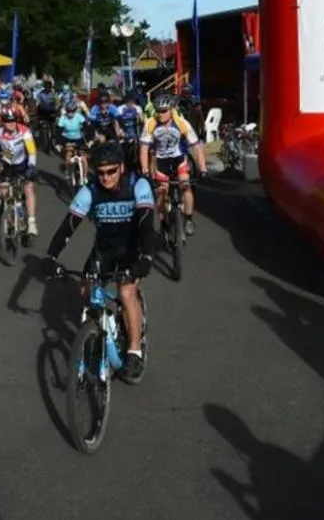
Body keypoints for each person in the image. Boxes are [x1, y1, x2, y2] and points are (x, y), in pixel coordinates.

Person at [42, 141, 155, 382]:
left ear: (122, 168)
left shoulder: (138, 184)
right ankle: (99, 332)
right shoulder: (90, 190)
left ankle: (134, 350)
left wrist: (147, 257)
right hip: (104, 248)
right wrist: (51, 256)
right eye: (101, 172)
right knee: (86, 289)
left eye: (111, 171)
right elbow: (68, 226)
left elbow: (146, 224)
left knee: (125, 292)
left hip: (132, 247)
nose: (105, 178)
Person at [138, 93, 208, 235]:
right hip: (161, 162)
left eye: (163, 111)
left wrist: (203, 168)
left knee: (185, 186)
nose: (160, 114)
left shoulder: (181, 123)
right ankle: (163, 221)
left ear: (170, 110)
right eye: (157, 111)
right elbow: (144, 149)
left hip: (178, 160)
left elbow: (196, 147)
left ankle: (188, 219)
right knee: (161, 192)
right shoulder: (151, 123)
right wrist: (145, 169)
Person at [0, 109, 39, 236]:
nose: (11, 123)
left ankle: (31, 222)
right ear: (3, 122)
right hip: (7, 165)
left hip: (23, 164)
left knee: (28, 189)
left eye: (13, 120)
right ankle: (11, 216)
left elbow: (32, 151)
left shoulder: (24, 131)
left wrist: (31, 166)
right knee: (3, 193)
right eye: (7, 121)